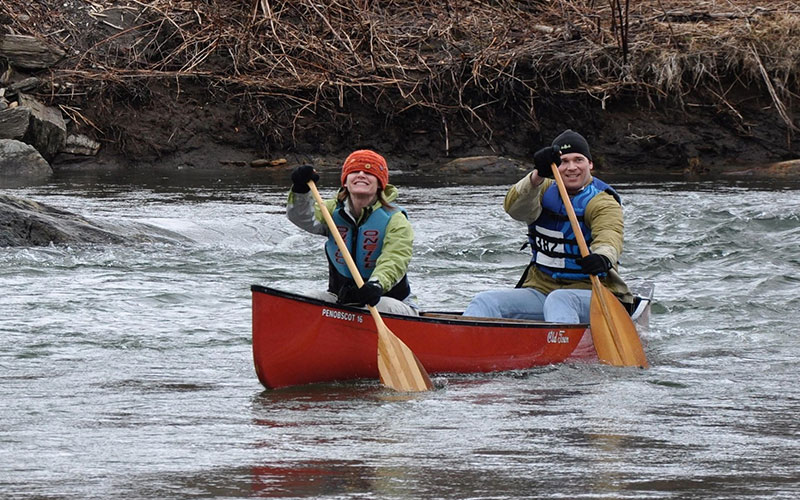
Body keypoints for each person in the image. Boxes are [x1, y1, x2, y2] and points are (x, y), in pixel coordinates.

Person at [463, 130, 633, 323]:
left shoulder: (602, 202)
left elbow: (610, 235)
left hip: (593, 293)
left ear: (590, 164)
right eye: (564, 161)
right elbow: (514, 209)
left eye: (578, 160)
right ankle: (465, 347)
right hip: (541, 290)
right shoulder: (540, 189)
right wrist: (536, 176)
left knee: (560, 300)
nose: (571, 168)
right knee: (486, 301)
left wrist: (602, 256)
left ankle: (558, 352)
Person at [287, 149, 418, 316]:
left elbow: (396, 258)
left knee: (378, 306)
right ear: (345, 182)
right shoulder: (330, 210)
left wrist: (376, 285)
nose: (361, 175)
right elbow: (301, 217)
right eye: (355, 171)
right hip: (342, 301)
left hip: (387, 301)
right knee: (307, 299)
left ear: (380, 183)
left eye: (369, 172)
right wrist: (300, 190)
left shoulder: (396, 219)